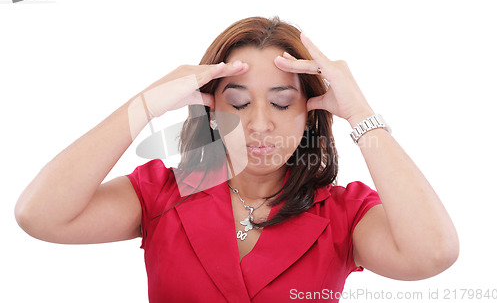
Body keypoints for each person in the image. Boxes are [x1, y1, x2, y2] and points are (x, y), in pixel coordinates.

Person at [14, 16, 459, 302]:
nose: (259, 125)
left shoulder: (342, 214)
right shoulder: (165, 193)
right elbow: (40, 215)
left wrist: (361, 113)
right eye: (240, 103)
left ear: (311, 112)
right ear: (212, 109)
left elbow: (434, 253)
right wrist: (144, 105)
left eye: (283, 103)